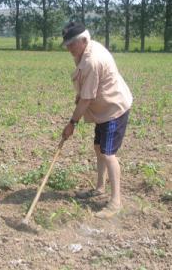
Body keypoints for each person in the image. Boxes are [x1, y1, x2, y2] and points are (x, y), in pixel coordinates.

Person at [61, 22, 133, 219]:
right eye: (66, 44)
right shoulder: (84, 52)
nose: (68, 48)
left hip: (113, 109)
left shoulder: (93, 60)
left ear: (84, 40)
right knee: (98, 148)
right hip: (103, 108)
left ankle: (116, 201)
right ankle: (100, 188)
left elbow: (87, 99)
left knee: (108, 154)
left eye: (71, 44)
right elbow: (86, 90)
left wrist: (72, 123)